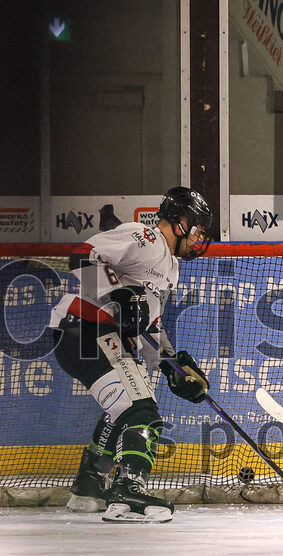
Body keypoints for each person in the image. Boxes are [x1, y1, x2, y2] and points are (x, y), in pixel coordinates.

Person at [51, 186, 214, 523]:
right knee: (141, 408)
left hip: (100, 337)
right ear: (180, 222)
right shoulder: (144, 236)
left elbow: (147, 324)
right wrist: (118, 293)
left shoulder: (171, 267)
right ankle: (129, 487)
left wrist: (171, 364)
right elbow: (83, 256)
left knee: (124, 406)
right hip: (86, 329)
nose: (199, 239)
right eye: (197, 229)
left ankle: (89, 486)